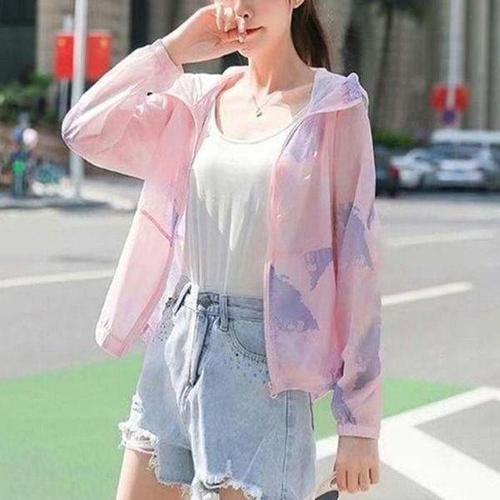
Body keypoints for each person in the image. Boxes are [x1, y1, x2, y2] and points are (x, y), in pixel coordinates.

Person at [61, 1, 383, 499]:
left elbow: (358, 265)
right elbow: (84, 129)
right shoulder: (197, 99)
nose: (242, 8)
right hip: (179, 340)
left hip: (263, 365)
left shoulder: (335, 108)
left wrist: (359, 424)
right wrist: (172, 51)